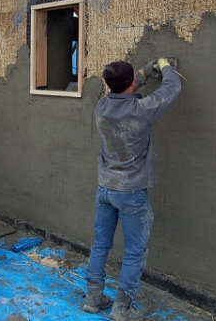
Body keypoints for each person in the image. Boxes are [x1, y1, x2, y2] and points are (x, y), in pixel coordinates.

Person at [84, 58, 181, 321]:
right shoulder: (142, 109)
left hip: (105, 188)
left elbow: (126, 83)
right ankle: (123, 308)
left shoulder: (102, 106)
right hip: (131, 192)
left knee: (101, 244)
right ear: (131, 84)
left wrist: (144, 72)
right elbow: (171, 88)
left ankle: (93, 297)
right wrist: (165, 66)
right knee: (135, 251)